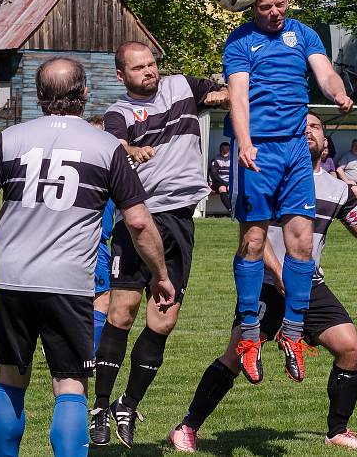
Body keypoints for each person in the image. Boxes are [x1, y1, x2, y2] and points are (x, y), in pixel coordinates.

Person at [0, 57, 174, 457]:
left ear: (39, 95)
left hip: (12, 279)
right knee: (70, 385)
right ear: (85, 93)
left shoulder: (10, 138)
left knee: (10, 380)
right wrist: (161, 273)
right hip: (68, 283)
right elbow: (138, 224)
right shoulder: (105, 147)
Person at [168, 112, 357, 453]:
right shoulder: (273, 178)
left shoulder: (339, 189)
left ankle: (338, 430)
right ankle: (186, 427)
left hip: (309, 285)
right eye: (303, 126)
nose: (309, 130)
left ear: (326, 143)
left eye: (316, 127)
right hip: (267, 284)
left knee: (350, 349)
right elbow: (255, 237)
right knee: (236, 356)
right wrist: (282, 275)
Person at [91, 41, 229, 449]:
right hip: (139, 218)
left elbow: (226, 92)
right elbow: (115, 146)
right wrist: (132, 149)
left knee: (163, 321)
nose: (149, 71)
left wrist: (245, 78)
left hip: (180, 221)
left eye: (151, 64)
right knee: (122, 312)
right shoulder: (118, 113)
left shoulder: (182, 87)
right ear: (121, 75)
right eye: (138, 68)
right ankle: (99, 407)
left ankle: (127, 404)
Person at [223, 0, 352, 386]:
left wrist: (338, 92)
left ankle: (293, 333)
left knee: (302, 241)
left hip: (296, 150)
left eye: (281, 5)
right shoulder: (240, 43)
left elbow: (325, 72)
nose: (275, 13)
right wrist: (243, 142)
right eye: (266, 7)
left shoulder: (304, 34)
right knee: (254, 241)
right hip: (258, 150)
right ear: (251, 5)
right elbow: (238, 97)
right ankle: (248, 335)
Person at [86, 115, 116, 353]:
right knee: (101, 298)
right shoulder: (107, 167)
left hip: (71, 241)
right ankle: (90, 351)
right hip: (94, 242)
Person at [208, 142, 232, 213]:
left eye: (227, 149)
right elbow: (215, 176)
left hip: (230, 183)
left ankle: (240, 210)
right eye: (223, 149)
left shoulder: (233, 160)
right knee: (222, 188)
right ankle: (230, 210)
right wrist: (227, 184)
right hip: (218, 183)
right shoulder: (215, 160)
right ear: (220, 150)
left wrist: (230, 184)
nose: (225, 151)